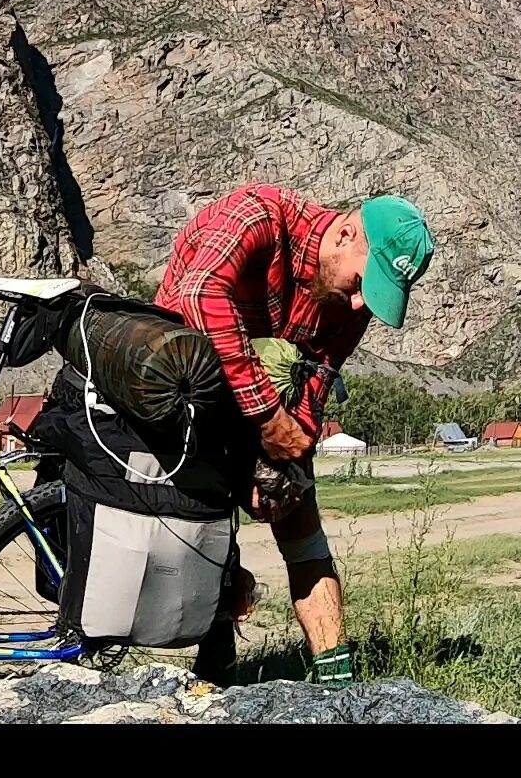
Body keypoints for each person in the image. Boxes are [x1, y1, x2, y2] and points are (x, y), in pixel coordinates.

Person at [152, 184, 434, 688]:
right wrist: (265, 418)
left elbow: (321, 371)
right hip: (184, 401)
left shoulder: (351, 304)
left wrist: (286, 451)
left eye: (371, 297)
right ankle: (214, 666)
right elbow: (199, 294)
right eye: (359, 285)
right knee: (206, 540)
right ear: (346, 232)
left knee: (305, 534)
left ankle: (337, 685)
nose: (356, 305)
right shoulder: (258, 215)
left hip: (266, 413)